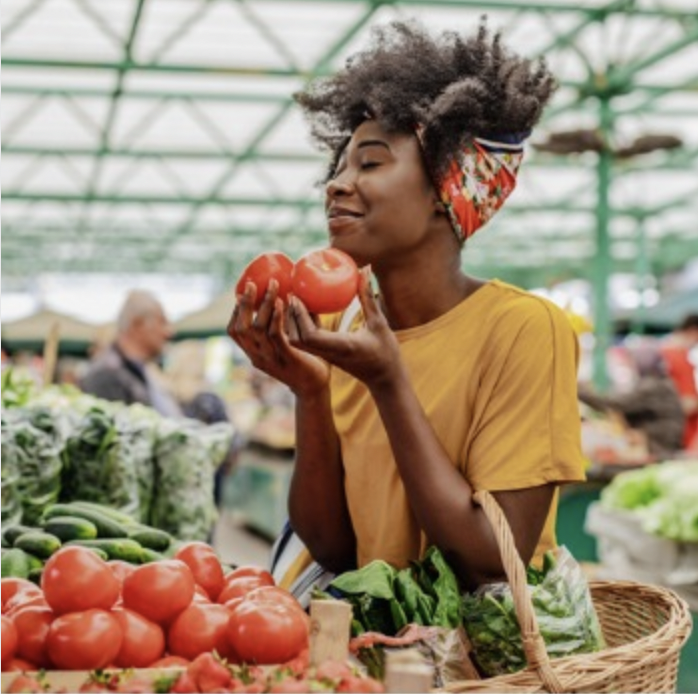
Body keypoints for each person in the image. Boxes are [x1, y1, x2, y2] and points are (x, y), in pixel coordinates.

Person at [228, 19, 585, 592]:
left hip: (486, 673)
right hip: (382, 660)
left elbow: (494, 561)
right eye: (339, 167)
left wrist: (388, 381)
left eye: (369, 163)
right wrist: (311, 391)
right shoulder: (344, 331)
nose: (336, 185)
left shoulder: (523, 328)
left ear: (449, 188)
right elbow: (335, 548)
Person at [80, 290, 181, 417]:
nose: (169, 332)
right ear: (137, 325)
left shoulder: (141, 371)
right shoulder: (106, 375)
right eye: (162, 322)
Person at [578, 341, 685, 458]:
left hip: (660, 449)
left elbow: (614, 403)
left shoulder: (653, 386)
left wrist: (578, 391)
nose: (630, 365)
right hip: (660, 446)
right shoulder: (660, 383)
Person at [661, 313, 698, 450]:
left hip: (668, 432)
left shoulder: (662, 353)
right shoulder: (679, 357)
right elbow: (689, 403)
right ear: (693, 332)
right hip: (685, 435)